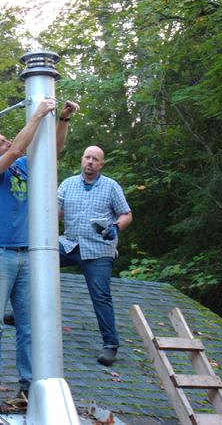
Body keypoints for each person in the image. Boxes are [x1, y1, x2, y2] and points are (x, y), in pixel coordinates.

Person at [0, 98, 79, 409]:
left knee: (27, 324)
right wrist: (36, 114)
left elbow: (53, 151)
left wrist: (62, 121)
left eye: (7, 139)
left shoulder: (22, 166)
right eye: (2, 142)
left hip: (27, 254)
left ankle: (27, 388)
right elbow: (18, 148)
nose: (8, 142)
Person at [57, 145, 132, 366]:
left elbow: (126, 214)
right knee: (36, 262)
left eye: (95, 159)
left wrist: (116, 227)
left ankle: (110, 345)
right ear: (82, 160)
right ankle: (21, 312)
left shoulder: (110, 187)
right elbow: (56, 210)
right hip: (69, 243)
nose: (90, 162)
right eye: (87, 157)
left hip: (99, 249)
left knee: (100, 294)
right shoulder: (68, 184)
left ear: (101, 164)